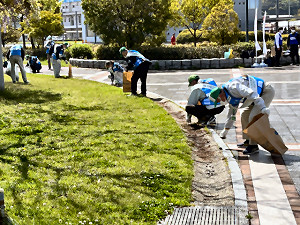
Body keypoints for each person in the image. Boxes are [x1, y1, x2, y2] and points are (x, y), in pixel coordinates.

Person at [209, 74, 275, 155]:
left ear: (220, 94)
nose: (220, 102)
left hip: (265, 92)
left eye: (218, 100)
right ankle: (248, 140)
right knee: (244, 115)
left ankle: (253, 145)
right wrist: (225, 130)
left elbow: (252, 94)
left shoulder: (234, 87)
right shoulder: (229, 95)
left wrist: (263, 108)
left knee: (253, 117)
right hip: (254, 98)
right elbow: (232, 114)